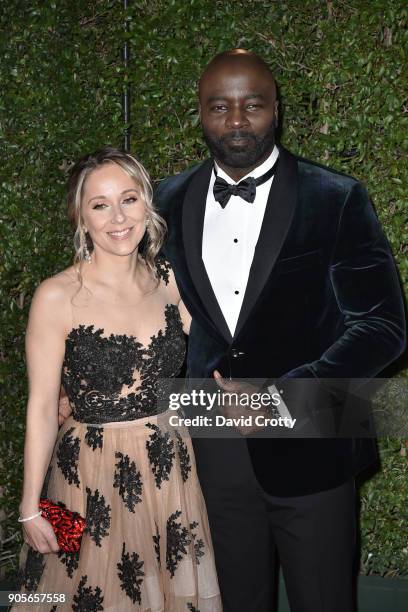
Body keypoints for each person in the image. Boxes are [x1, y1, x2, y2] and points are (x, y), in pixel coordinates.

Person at [153, 50, 406, 612]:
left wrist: (280, 396)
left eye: (253, 105)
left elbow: (384, 326)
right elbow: (154, 319)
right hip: (209, 449)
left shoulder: (337, 197)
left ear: (276, 110)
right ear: (200, 113)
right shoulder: (164, 203)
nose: (237, 121)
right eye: (220, 107)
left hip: (314, 436)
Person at [15, 147, 222, 612]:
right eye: (100, 204)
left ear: (147, 204)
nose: (118, 218)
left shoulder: (170, 279)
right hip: (86, 476)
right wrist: (30, 506)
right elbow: (44, 407)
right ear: (80, 216)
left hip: (170, 467)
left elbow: (223, 346)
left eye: (128, 199)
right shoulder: (56, 296)